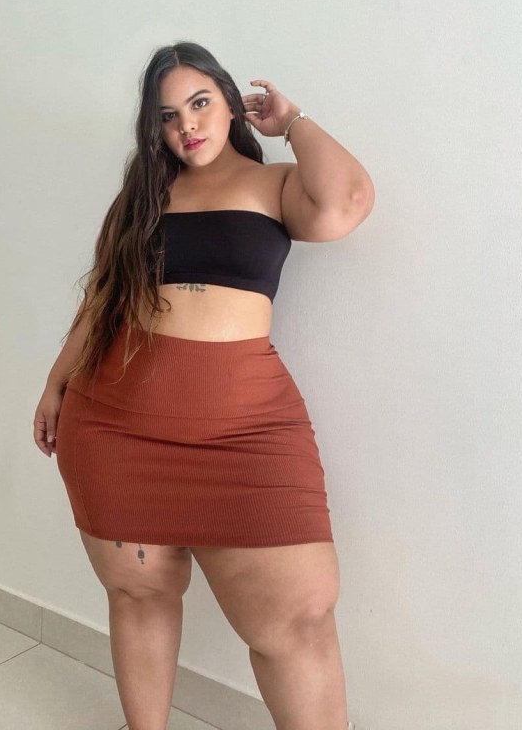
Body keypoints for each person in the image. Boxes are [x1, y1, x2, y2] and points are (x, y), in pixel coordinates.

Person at [33, 41, 374, 730]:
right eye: (168, 116)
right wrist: (54, 384)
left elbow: (345, 203)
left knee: (299, 620)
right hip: (115, 420)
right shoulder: (142, 200)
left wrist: (292, 121)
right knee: (139, 596)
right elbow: (102, 298)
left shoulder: (274, 184)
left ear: (229, 103)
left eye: (199, 103)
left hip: (245, 429)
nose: (186, 125)